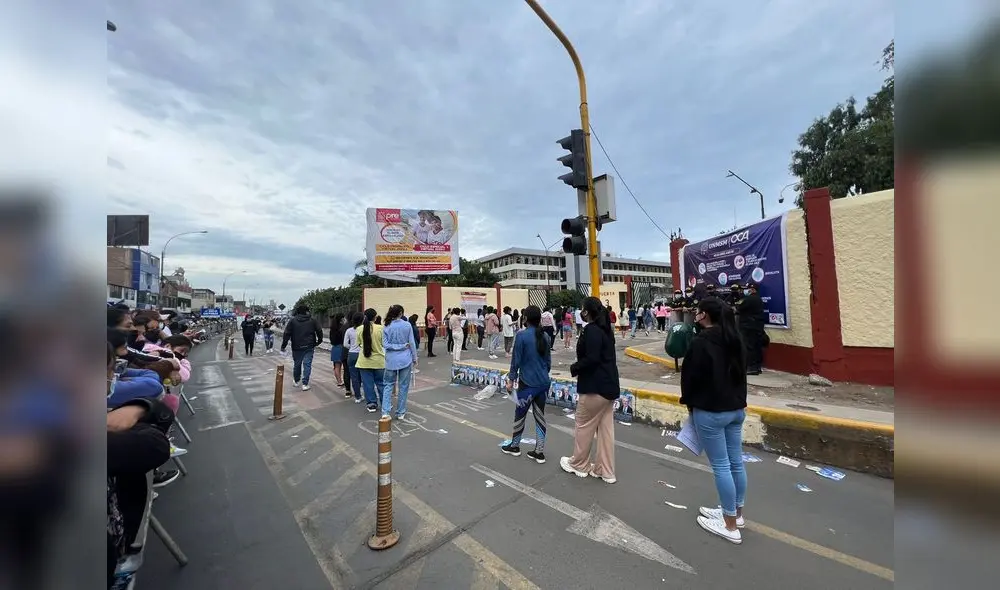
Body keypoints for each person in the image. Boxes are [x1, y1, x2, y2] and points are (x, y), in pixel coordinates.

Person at [681, 297, 749, 544]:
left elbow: (690, 378)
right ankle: (735, 513)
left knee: (721, 465)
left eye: (698, 313)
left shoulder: (701, 342)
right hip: (736, 409)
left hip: (711, 410)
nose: (696, 316)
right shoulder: (735, 338)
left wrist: (690, 406)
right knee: (736, 463)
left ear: (705, 316)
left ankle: (730, 525)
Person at [561, 296, 620, 484]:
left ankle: (579, 464)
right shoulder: (605, 331)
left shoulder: (592, 331)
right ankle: (605, 470)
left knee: (583, 425)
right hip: (609, 386)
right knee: (605, 431)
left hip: (595, 387)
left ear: (586, 312)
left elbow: (592, 359)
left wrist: (575, 367)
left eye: (581, 309)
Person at [500, 306, 551, 464]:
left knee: (520, 414)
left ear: (526, 319)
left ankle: (515, 446)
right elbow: (548, 363)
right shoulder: (546, 336)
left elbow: (516, 361)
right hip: (543, 383)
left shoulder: (521, 336)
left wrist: (510, 380)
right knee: (539, 416)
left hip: (527, 384)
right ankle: (539, 451)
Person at [381, 305, 418, 420]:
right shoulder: (407, 325)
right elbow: (411, 342)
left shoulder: (386, 326)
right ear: (401, 313)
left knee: (388, 385)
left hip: (391, 360)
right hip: (405, 359)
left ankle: (385, 411)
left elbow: (385, 344)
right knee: (403, 386)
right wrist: (414, 357)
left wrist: (396, 347)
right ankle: (400, 412)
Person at [280, 304, 324, 391]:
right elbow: (319, 330)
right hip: (309, 346)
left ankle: (296, 381)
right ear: (307, 311)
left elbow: (286, 334)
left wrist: (283, 346)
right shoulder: (312, 320)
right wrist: (319, 341)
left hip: (296, 346)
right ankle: (305, 384)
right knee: (307, 364)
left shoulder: (292, 321)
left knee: (297, 364)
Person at [355, 308, 385, 413]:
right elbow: (384, 344)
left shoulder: (359, 329)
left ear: (364, 317)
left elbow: (358, 344)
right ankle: (385, 404)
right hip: (379, 361)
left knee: (368, 384)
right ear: (375, 317)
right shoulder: (381, 328)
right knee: (381, 384)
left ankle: (371, 404)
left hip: (364, 361)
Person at [736, 283, 766, 375]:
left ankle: (751, 368)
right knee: (757, 347)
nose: (748, 291)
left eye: (749, 289)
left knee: (749, 347)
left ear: (753, 290)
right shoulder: (759, 299)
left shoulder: (749, 299)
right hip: (757, 326)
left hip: (748, 326)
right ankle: (757, 367)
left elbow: (739, 308)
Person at [344, 312, 364, 404]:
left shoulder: (349, 330)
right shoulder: (364, 329)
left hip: (351, 354)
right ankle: (366, 394)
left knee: (354, 376)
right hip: (361, 354)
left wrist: (352, 347)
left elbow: (345, 344)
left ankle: (357, 397)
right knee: (364, 376)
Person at [329, 313, 347, 392]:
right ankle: (344, 381)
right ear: (341, 319)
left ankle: (339, 381)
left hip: (335, 348)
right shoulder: (342, 328)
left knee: (337, 366)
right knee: (345, 367)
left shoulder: (332, 328)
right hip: (342, 347)